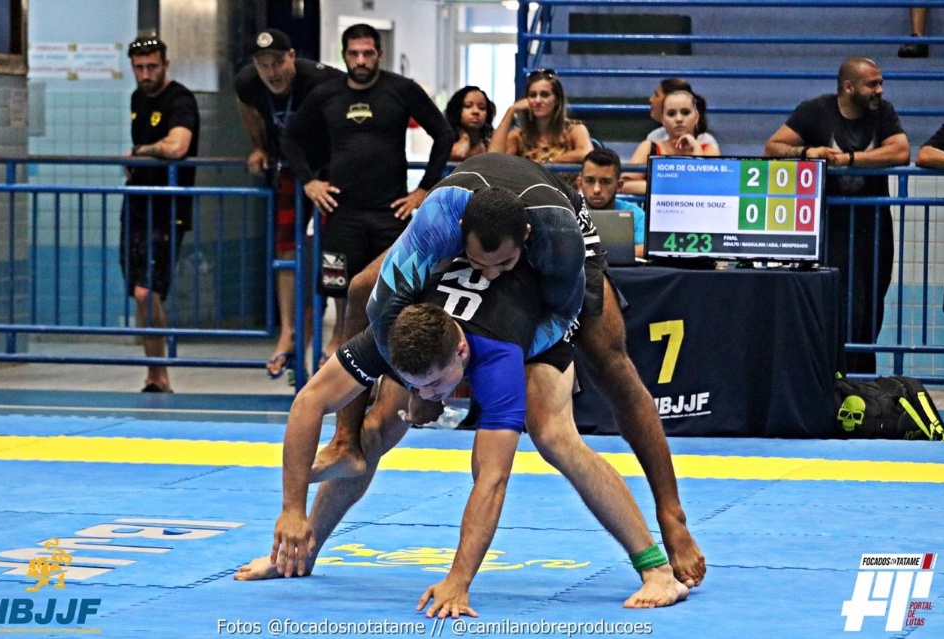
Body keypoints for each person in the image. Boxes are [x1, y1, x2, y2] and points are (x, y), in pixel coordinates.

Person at [234, 196, 689, 613]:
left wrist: (459, 579)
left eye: (435, 386)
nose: (432, 398)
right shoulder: (393, 332)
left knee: (555, 435)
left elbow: (491, 480)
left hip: (535, 307)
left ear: (461, 356)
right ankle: (301, 551)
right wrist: (291, 509)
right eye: (421, 386)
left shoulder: (499, 363)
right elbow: (309, 401)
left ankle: (657, 569)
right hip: (446, 311)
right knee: (379, 428)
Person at [315, 153, 706, 588]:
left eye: (500, 266)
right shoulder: (439, 224)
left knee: (606, 363)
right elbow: (378, 304)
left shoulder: (556, 238)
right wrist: (416, 387)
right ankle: (343, 445)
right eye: (480, 264)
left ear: (524, 240)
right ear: (461, 239)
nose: (490, 275)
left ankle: (671, 515)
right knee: (364, 294)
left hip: (553, 236)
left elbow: (562, 314)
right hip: (475, 228)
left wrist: (508, 352)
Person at [280, 23, 456, 362]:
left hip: (390, 212)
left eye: (368, 54)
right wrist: (308, 181)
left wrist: (424, 189)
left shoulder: (402, 90)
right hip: (342, 213)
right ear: (344, 56)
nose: (361, 61)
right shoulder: (326, 94)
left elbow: (443, 134)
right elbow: (290, 138)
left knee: (396, 287)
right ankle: (341, 348)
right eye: (354, 54)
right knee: (339, 287)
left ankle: (393, 355)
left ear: (379, 54)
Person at [764, 57, 910, 374]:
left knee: (871, 312)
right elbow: (773, 147)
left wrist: (850, 159)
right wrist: (805, 153)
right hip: (832, 229)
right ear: (848, 87)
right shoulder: (815, 110)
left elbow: (901, 151)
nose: (879, 90)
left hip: (874, 230)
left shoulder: (883, 113)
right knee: (843, 310)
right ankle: (834, 381)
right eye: (872, 84)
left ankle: (862, 385)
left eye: (880, 83)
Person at [235, 28, 345, 379]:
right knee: (285, 251)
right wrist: (259, 145)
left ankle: (340, 331)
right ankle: (289, 331)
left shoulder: (321, 81)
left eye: (278, 62)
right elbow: (246, 106)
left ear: (292, 57)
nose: (273, 72)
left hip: (327, 171)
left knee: (336, 251)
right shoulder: (249, 83)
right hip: (290, 172)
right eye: (264, 64)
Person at [122, 36, 200, 393]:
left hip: (167, 208)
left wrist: (141, 151)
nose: (146, 74)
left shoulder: (180, 100)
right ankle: (153, 373)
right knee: (139, 292)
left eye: (152, 66)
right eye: (139, 67)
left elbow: (178, 146)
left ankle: (160, 373)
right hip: (137, 204)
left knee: (147, 292)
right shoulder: (137, 98)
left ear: (165, 65)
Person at [622, 90, 721, 195]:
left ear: (696, 117)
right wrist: (672, 186)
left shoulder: (709, 149)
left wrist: (695, 147)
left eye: (685, 112)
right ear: (663, 120)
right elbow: (623, 185)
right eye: (671, 114)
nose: (679, 119)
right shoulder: (649, 147)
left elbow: (708, 186)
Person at [488, 69, 594, 165]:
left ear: (557, 100)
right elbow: (492, 158)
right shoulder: (518, 135)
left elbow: (586, 153)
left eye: (545, 95)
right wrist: (511, 111)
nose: (537, 101)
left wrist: (549, 162)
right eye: (533, 95)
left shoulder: (574, 129)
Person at [578, 148, 645, 258]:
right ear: (580, 184)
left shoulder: (635, 214)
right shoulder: (567, 212)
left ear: (619, 186)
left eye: (605, 182)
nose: (596, 189)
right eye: (589, 181)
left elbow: (645, 249)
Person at [646, 78, 717, 148]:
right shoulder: (654, 138)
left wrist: (695, 148)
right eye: (671, 114)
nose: (651, 99)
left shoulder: (707, 143)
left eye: (656, 95)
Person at [445, 85, 496, 161]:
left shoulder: (488, 145)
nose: (476, 111)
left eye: (482, 108)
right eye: (468, 106)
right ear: (457, 111)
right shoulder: (446, 144)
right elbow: (459, 154)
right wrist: (464, 138)